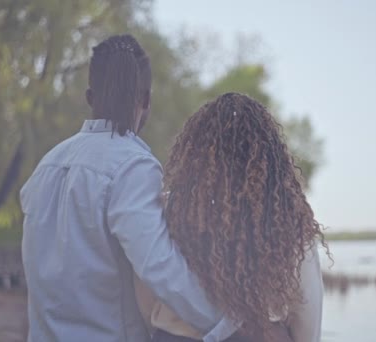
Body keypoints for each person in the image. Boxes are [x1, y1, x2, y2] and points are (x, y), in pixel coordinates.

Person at [20, 34, 237, 342]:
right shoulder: (134, 167)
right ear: (146, 100)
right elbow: (160, 267)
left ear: (89, 97)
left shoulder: (46, 166)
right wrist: (231, 323)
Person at [135, 93, 330, 342]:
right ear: (267, 157)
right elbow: (307, 311)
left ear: (197, 154)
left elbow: (146, 288)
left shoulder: (167, 209)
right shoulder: (286, 218)